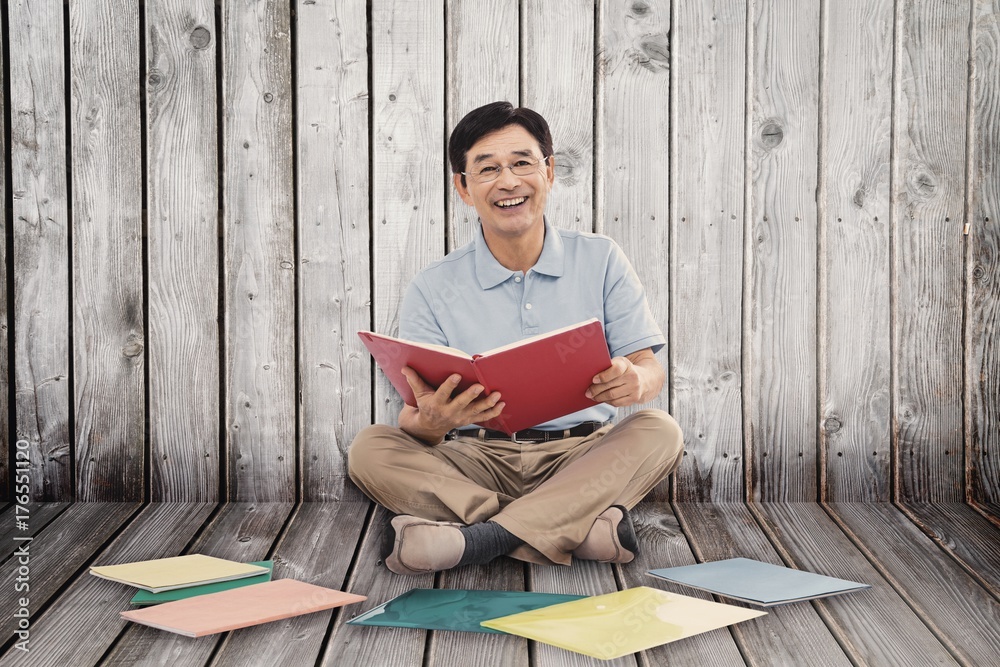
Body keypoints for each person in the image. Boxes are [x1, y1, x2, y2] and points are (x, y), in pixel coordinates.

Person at [348, 101, 683, 576]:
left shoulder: (602, 258)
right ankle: (572, 526)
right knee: (370, 447)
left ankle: (483, 539)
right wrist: (433, 422)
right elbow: (414, 421)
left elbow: (648, 369)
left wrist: (637, 380)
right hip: (474, 458)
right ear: (463, 188)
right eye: (487, 169)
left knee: (661, 430)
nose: (508, 182)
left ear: (548, 172)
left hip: (580, 455)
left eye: (522, 163)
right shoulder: (432, 284)